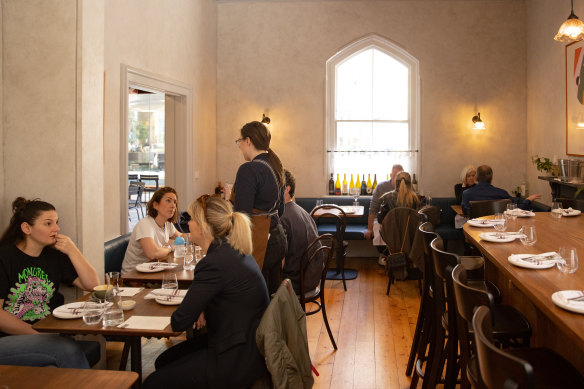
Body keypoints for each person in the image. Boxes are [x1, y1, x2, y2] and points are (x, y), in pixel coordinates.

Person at [143, 196, 270, 389]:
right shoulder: (233, 251)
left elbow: (179, 321)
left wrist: (197, 306)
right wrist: (202, 306)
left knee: (152, 383)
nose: (188, 223)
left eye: (191, 218)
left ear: (203, 226)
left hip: (234, 360)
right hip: (247, 347)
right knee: (164, 360)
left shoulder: (214, 263)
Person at [0, 197, 100, 368]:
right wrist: (39, 334)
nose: (57, 228)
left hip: (46, 336)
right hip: (8, 339)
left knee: (52, 369)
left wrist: (72, 250)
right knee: (67, 350)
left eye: (56, 222)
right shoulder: (4, 257)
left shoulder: (54, 257)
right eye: (48, 223)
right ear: (26, 228)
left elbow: (93, 285)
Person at [233, 121, 287, 295]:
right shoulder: (276, 166)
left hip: (260, 242)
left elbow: (242, 217)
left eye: (239, 141)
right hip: (277, 237)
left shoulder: (248, 169)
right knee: (272, 296)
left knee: (255, 298)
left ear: (248, 141)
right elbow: (281, 208)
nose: (240, 146)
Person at [121, 187, 182, 275]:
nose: (173, 206)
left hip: (153, 270)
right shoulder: (145, 224)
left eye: (175, 202)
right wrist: (171, 247)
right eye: (168, 201)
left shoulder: (167, 223)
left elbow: (181, 237)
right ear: (155, 205)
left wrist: (198, 234)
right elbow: (152, 253)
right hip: (133, 276)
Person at [280, 169, 322, 295]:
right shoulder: (302, 211)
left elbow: (280, 263)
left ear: (286, 189)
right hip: (312, 278)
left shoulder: (282, 217)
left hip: (295, 284)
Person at [461, 165, 541, 216]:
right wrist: (528, 200)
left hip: (474, 232)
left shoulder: (466, 193)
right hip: (497, 231)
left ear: (477, 178)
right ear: (491, 178)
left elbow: (465, 212)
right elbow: (518, 209)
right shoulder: (501, 193)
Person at [364, 164, 404, 241]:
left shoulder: (408, 187)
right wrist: (369, 229)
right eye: (396, 176)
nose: (398, 179)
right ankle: (386, 252)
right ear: (391, 175)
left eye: (400, 176)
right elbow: (373, 209)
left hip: (401, 221)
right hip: (382, 220)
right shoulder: (381, 187)